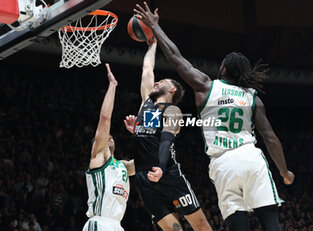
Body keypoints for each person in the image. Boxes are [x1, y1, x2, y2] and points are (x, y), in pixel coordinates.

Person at [133, 3, 295, 231]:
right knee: (270, 221)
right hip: (250, 157)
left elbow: (175, 56)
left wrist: (155, 27)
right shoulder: (253, 98)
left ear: (224, 69)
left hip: (223, 164)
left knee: (238, 225)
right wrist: (284, 172)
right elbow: (270, 138)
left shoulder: (206, 86)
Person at [123, 38, 212, 231]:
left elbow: (165, 141)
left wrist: (161, 168)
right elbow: (147, 69)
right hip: (144, 177)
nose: (155, 82)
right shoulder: (146, 104)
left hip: (167, 173)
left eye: (161, 82)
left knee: (201, 225)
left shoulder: (172, 111)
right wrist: (152, 45)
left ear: (172, 89)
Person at [83, 64, 135, 231]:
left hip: (117, 225)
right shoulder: (98, 159)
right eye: (106, 137)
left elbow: (145, 161)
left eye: (111, 136)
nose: (109, 137)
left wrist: (138, 133)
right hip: (100, 222)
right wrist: (112, 86)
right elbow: (105, 118)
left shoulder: (123, 166)